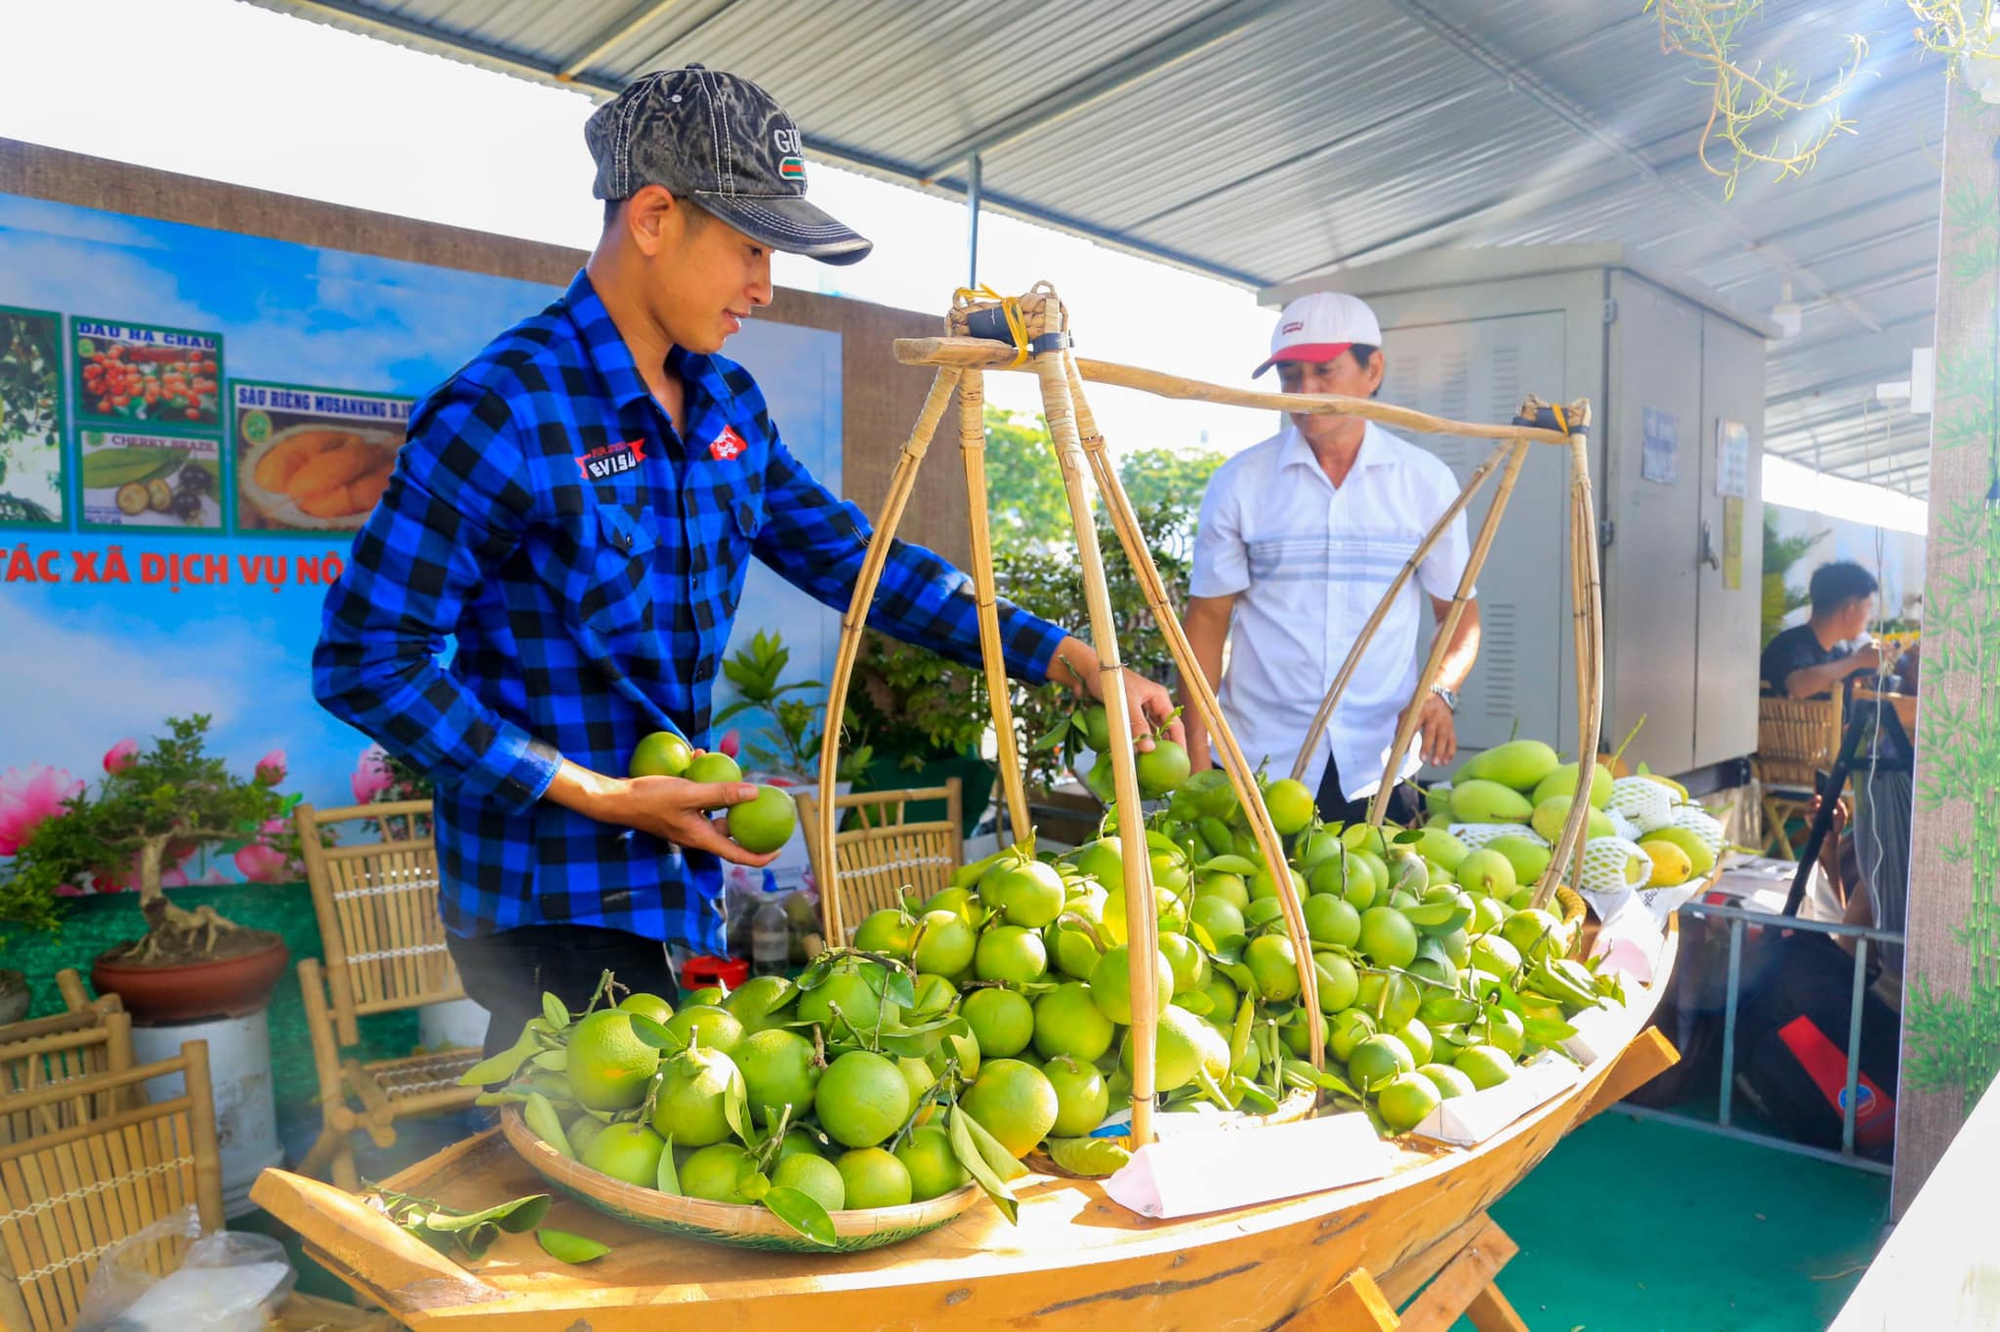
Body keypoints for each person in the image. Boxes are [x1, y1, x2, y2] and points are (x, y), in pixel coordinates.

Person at [313, 66, 1179, 1056]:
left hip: (674, 880)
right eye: (750, 247)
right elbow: (366, 661)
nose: (765, 288)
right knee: (596, 1170)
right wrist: (597, 793)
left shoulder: (728, 408)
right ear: (651, 218)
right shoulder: (505, 410)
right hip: (547, 896)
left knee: (663, 1159)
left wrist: (1065, 656)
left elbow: (858, 565)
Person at [1181, 292, 1481, 827]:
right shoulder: (1240, 483)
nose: (1306, 392)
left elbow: (1458, 614)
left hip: (1379, 766)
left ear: (1374, 370)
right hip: (1256, 765)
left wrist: (1438, 690)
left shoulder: (1424, 482)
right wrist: (1198, 761)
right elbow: (1205, 622)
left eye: (1325, 371)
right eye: (1291, 376)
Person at [1761, 560, 1883, 699]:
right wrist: (1857, 660)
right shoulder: (1788, 646)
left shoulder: (1838, 657)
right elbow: (1798, 686)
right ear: (1850, 610)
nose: (1870, 618)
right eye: (1868, 607)